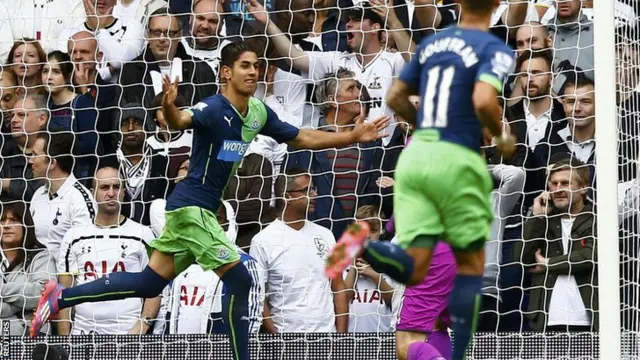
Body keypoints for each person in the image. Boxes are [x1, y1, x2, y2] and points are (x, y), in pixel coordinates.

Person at [31, 42, 388, 360]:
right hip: (192, 209)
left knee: (148, 284)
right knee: (242, 279)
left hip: (194, 211)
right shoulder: (213, 108)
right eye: (245, 66)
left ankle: (59, 297)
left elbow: (303, 137)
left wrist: (352, 135)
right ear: (226, 72)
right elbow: (181, 119)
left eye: (256, 66)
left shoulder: (259, 113)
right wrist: (169, 107)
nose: (253, 72)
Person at [325, 1, 516, 359]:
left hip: (428, 227)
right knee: (434, 329)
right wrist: (500, 136)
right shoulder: (495, 50)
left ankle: (363, 241)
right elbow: (485, 100)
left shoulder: (433, 46)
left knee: (408, 344)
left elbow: (395, 96)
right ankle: (368, 242)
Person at [56, 165, 159, 335]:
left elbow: (156, 287)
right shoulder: (73, 236)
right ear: (92, 192)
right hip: (84, 333)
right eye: (104, 187)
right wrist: (65, 340)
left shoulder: (143, 234)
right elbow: (63, 293)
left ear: (124, 192)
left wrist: (140, 328)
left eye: (116, 187)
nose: (111, 193)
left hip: (128, 333)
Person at [0, 201, 55, 336]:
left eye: (13, 220)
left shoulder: (41, 256)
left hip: (32, 336)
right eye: (2, 221)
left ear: (26, 225)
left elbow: (44, 294)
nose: (7, 226)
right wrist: (21, 305)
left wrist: (1, 290)